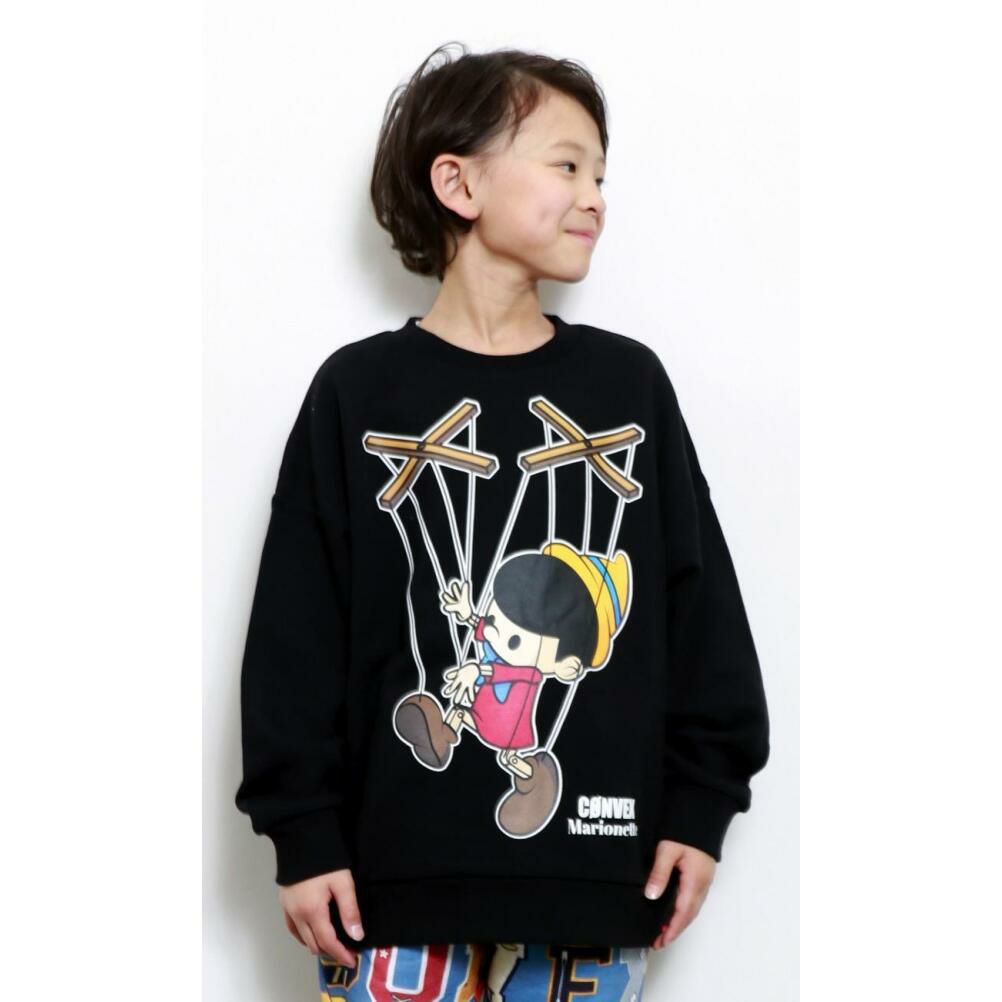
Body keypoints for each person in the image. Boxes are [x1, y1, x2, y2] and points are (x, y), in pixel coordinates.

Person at [234, 42, 770, 998]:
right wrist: (302, 831)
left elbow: (703, 616)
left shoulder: (629, 386)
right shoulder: (356, 392)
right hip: (389, 893)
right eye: (567, 164)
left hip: (597, 881)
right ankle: (446, 726)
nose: (595, 197)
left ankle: (530, 770)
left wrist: (702, 807)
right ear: (460, 183)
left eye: (601, 175)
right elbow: (295, 632)